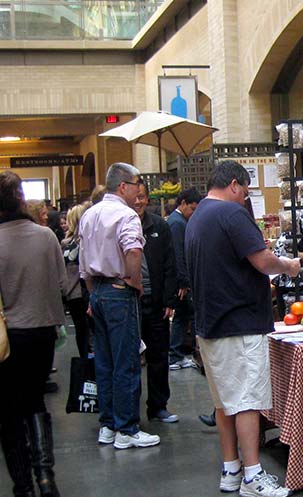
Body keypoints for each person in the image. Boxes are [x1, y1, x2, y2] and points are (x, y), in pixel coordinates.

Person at [185, 160, 299, 497]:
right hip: (240, 322)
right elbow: (262, 260)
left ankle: (231, 469)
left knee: (224, 402)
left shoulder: (197, 217)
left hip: (210, 323)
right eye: (245, 191)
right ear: (234, 185)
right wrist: (288, 266)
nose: (245, 198)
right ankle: (253, 476)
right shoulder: (232, 214)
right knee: (247, 401)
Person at [79, 162, 160, 450]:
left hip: (98, 291)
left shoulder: (89, 214)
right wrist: (133, 282)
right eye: (137, 183)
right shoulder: (126, 215)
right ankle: (127, 428)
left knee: (104, 361)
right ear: (123, 186)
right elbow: (133, 251)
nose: (140, 189)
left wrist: (92, 295)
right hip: (119, 290)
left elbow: (83, 262)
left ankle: (108, 424)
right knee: (127, 361)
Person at [0, 171, 65, 497]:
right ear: (21, 199)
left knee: (9, 411)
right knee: (36, 400)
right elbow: (59, 282)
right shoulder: (45, 236)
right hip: (42, 330)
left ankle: (23, 484)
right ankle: (45, 477)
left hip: (7, 338)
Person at [133, 183, 180, 423]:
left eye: (142, 197)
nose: (138, 201)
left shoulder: (159, 226)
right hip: (130, 302)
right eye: (135, 196)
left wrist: (169, 299)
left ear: (147, 198)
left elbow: (170, 264)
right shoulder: (121, 223)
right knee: (130, 359)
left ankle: (158, 406)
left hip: (157, 301)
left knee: (159, 355)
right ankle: (130, 411)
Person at [166, 187, 201, 371]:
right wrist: (183, 281)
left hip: (180, 279)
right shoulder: (177, 223)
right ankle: (177, 355)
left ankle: (177, 354)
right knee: (184, 316)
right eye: (192, 209)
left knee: (183, 316)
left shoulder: (176, 221)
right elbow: (178, 255)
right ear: (183, 203)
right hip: (181, 281)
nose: (193, 213)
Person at [61, 202, 93, 360]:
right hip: (86, 292)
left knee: (81, 332)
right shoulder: (87, 242)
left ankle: (85, 365)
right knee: (92, 331)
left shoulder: (66, 244)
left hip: (72, 294)